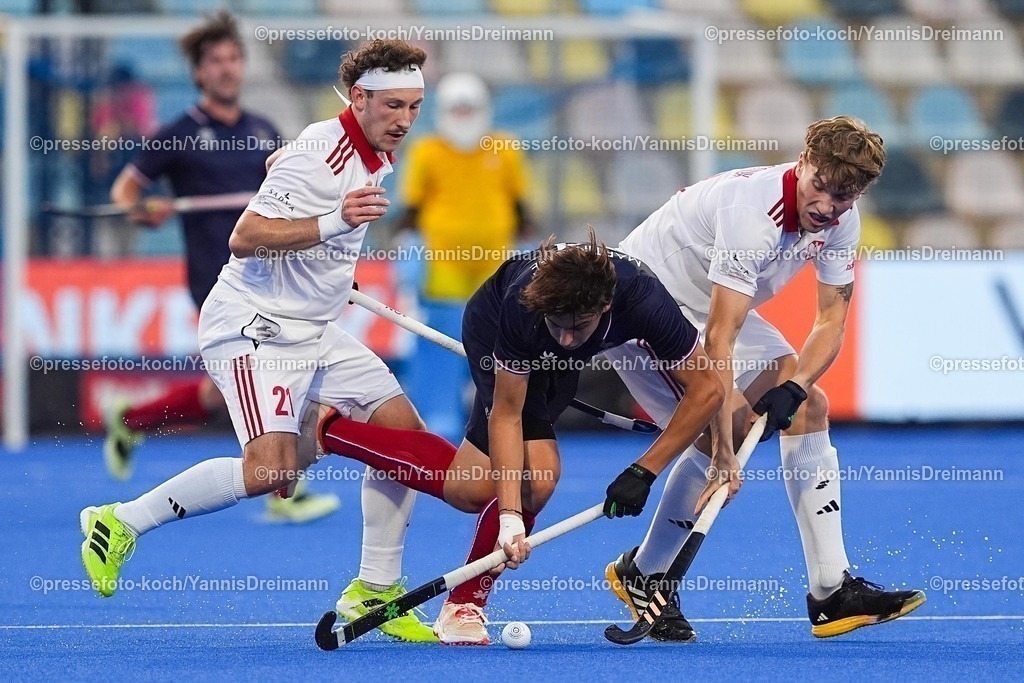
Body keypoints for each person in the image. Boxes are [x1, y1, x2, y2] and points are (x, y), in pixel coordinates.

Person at [81, 38, 440, 643]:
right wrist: (335, 222)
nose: (405, 121)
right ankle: (118, 522)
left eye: (413, 107)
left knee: (403, 434)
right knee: (272, 473)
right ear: (360, 98)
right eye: (394, 107)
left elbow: (287, 172)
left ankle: (375, 591)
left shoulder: (369, 147)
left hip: (315, 327)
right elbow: (244, 237)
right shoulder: (321, 153)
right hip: (254, 328)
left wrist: (328, 253)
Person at [308, 230, 726, 644]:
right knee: (521, 484)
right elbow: (506, 415)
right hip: (495, 333)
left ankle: (330, 431)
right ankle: (463, 605)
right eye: (558, 324)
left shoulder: (643, 299)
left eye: (578, 325)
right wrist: (509, 517)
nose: (565, 336)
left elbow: (707, 389)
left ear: (604, 306)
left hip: (562, 361)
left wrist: (644, 470)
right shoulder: (526, 305)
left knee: (477, 489)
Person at [604, 115, 926, 640]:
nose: (826, 206)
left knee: (812, 405)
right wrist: (726, 457)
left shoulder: (843, 221)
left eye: (842, 197)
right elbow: (720, 338)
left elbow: (830, 321)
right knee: (721, 427)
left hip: (710, 305)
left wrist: (795, 387)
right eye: (819, 186)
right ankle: (646, 574)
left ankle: (831, 590)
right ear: (803, 163)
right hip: (646, 301)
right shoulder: (753, 213)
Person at [103, 12, 338, 523]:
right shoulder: (179, 133)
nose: (228, 69)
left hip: (274, 280)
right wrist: (144, 211)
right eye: (216, 61)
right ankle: (284, 490)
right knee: (272, 374)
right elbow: (126, 192)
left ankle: (132, 420)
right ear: (199, 73)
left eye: (234, 58)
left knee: (223, 392)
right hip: (220, 284)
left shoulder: (263, 130)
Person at [398, 72, 533, 436]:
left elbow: (521, 208)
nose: (462, 117)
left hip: (496, 265)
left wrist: (530, 257)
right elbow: (411, 210)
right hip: (442, 264)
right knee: (441, 341)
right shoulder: (427, 151)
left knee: (502, 342)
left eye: (468, 109)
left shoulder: (505, 149)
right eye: (455, 110)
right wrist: (406, 251)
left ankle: (502, 418)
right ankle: (439, 417)